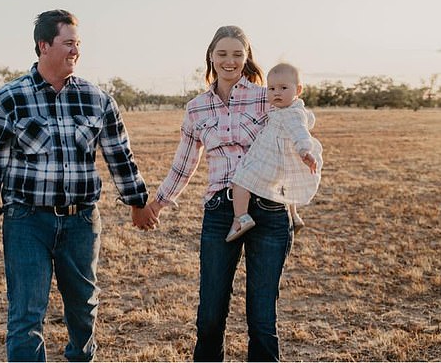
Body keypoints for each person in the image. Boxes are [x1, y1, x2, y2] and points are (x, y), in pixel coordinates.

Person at [0, 9, 157, 362]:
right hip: (27, 221)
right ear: (44, 45)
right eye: (68, 43)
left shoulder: (98, 99)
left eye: (78, 44)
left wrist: (138, 202)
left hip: (81, 222)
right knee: (26, 315)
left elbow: (120, 156)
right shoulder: (8, 99)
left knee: (83, 310)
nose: (75, 51)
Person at [138, 25, 292, 361]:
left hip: (269, 210)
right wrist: (158, 204)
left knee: (262, 320)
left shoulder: (267, 97)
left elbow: (293, 133)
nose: (230, 60)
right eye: (222, 53)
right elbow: (184, 163)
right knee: (209, 316)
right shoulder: (197, 108)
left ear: (247, 58)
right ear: (210, 56)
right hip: (221, 211)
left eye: (238, 54)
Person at [226, 63, 323, 242]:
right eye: (271, 88)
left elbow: (300, 133)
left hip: (270, 160)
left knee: (240, 181)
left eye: (283, 88)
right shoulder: (286, 109)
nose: (276, 93)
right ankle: (294, 216)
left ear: (298, 90)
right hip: (280, 162)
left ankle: (241, 218)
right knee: (286, 186)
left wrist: (305, 151)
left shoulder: (292, 114)